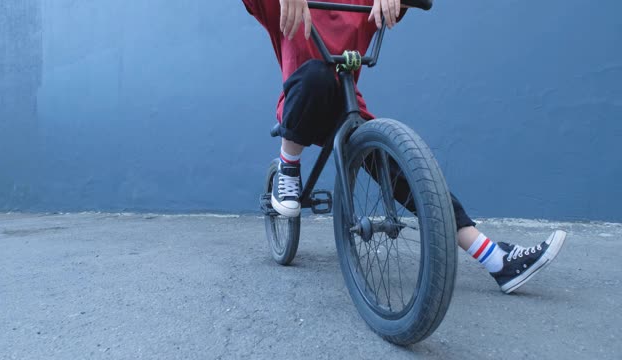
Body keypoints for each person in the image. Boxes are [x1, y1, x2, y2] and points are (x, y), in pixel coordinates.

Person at [242, 0, 566, 294]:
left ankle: (496, 260)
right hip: (303, 102)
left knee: (404, 171)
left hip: (347, 107)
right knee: (316, 74)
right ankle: (288, 166)